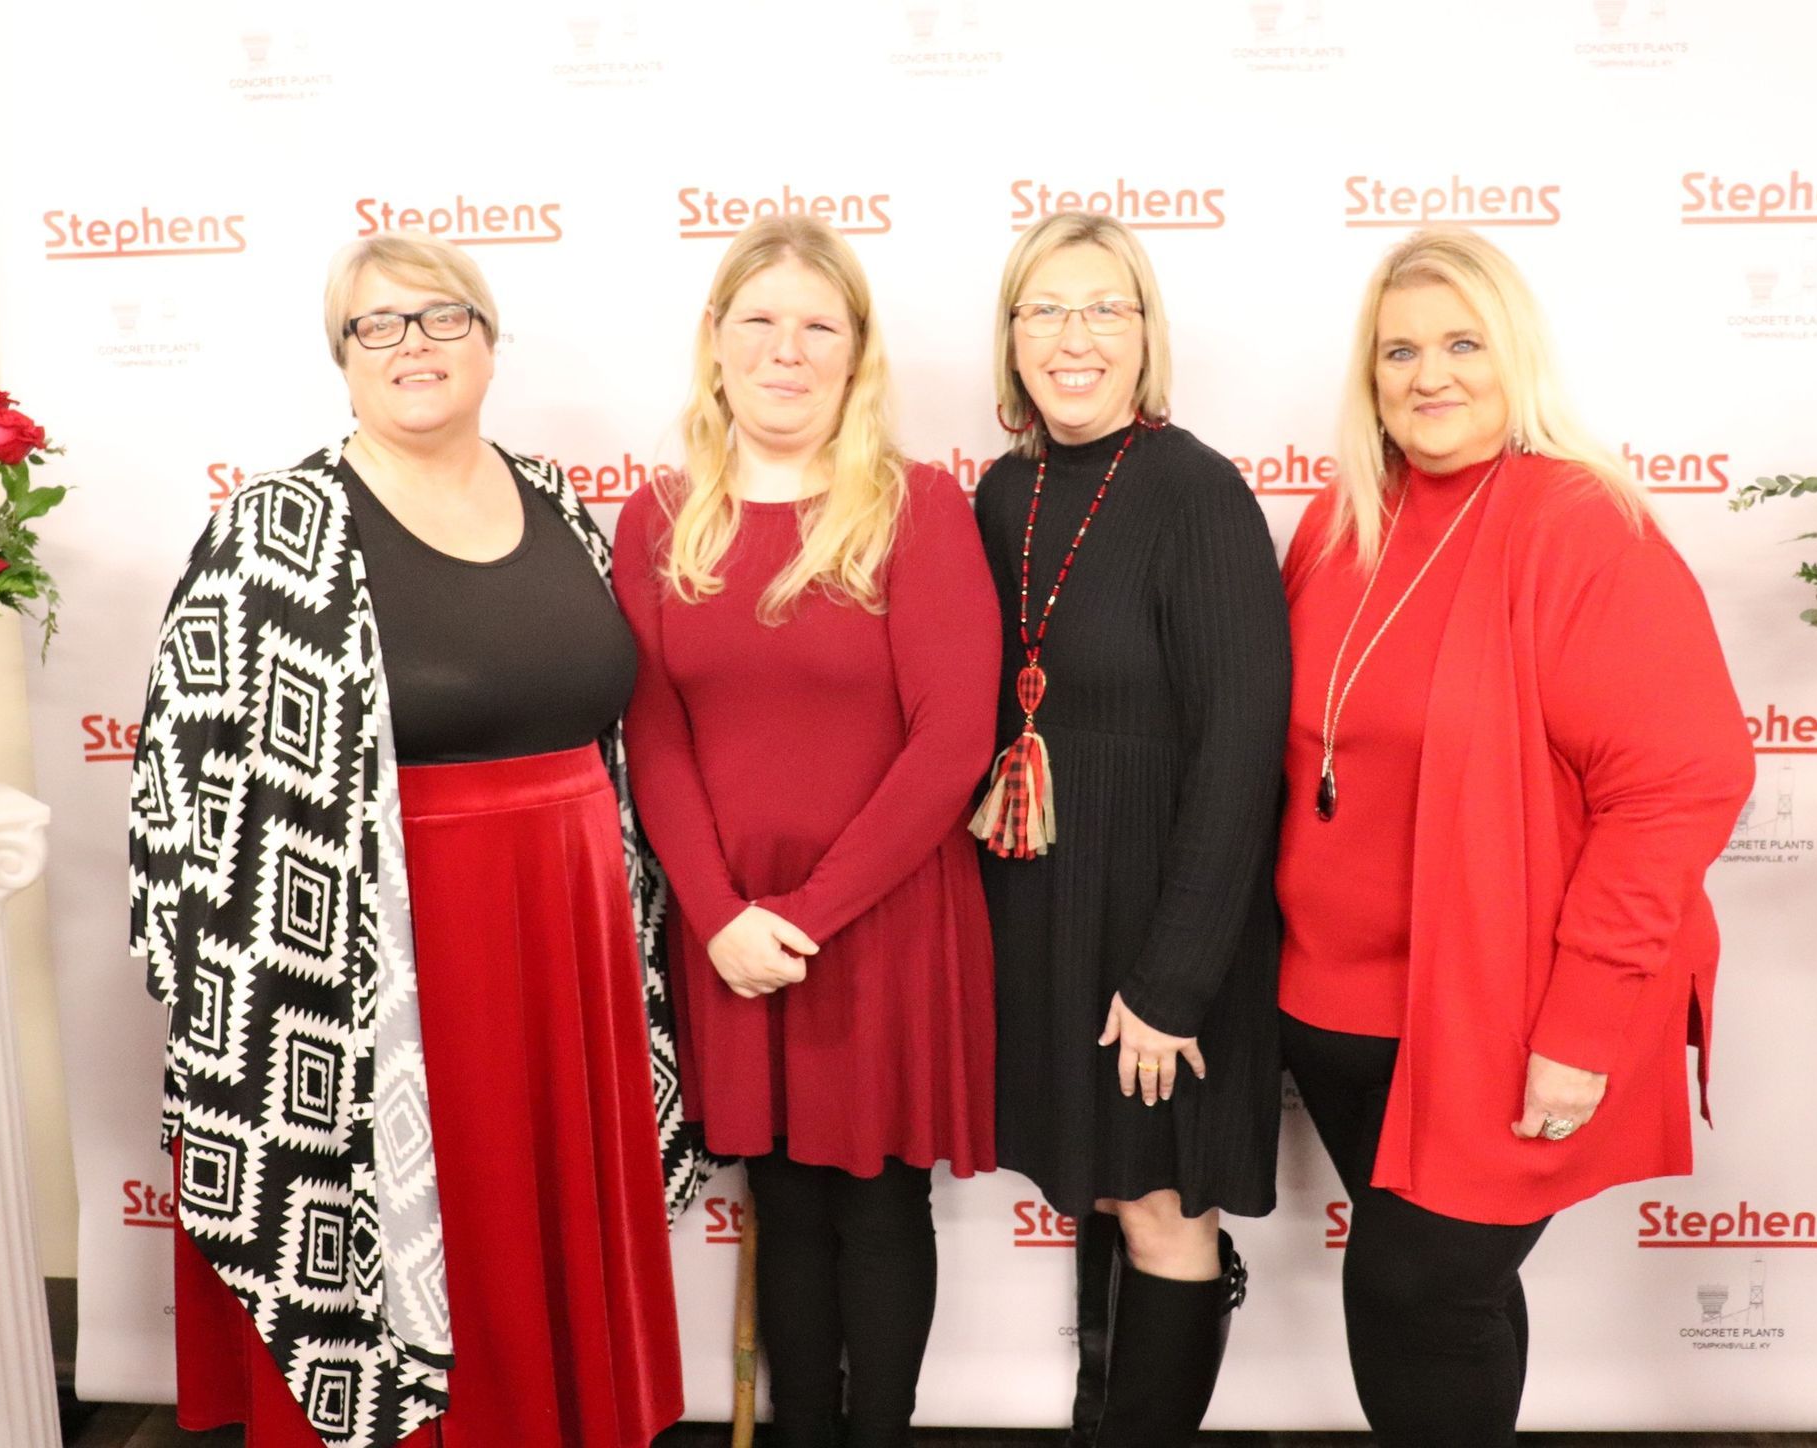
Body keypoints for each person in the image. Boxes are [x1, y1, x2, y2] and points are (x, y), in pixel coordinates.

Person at [128, 233, 702, 1448]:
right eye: (376, 326)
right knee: (446, 1224)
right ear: (341, 361)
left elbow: (613, 741)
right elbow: (183, 794)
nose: (413, 347)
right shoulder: (276, 531)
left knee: (546, 1224)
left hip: (571, 935)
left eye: (443, 319)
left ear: (490, 342)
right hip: (382, 964)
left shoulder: (557, 499)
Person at [1275, 228, 1754, 1446]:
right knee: (1459, 1292)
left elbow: (1678, 786)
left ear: (1514, 356)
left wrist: (1584, 1024)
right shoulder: (1340, 520)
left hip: (1506, 1008)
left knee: (1413, 1286)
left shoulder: (1581, 526)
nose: (1428, 375)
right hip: (1341, 1014)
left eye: (1460, 342)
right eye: (1399, 350)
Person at [612, 214, 1001, 1448]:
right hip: (729, 924)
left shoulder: (919, 506)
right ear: (715, 343)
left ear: (856, 353)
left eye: (817, 325)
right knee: (780, 1189)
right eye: (758, 321)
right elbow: (652, 734)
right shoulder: (660, 515)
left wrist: (804, 913)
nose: (787, 350)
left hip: (880, 917)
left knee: (878, 1200)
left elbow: (951, 742)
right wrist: (721, 916)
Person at [970, 212, 1291, 1447]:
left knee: (1163, 1212)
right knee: (1103, 1192)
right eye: (1045, 309)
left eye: (1106, 308)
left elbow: (1239, 752)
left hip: (1162, 926)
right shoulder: (1007, 490)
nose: (1075, 336)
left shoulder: (1196, 491)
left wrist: (1172, 982)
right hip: (1050, 916)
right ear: (1011, 338)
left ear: (1147, 334)